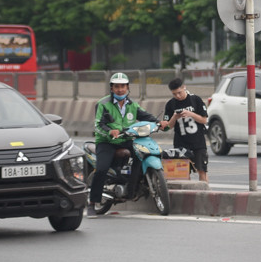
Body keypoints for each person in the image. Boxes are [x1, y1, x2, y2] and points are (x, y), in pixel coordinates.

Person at [89, 72, 161, 209]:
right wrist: (110, 132)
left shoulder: (132, 105)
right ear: (111, 88)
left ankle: (131, 192)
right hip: (107, 141)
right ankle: (93, 202)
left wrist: (159, 122)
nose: (120, 89)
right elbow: (98, 125)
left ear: (128, 88)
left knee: (140, 155)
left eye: (123, 86)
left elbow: (145, 115)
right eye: (117, 86)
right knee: (101, 169)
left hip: (126, 139)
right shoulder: (103, 104)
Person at [165, 78, 209, 185]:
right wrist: (175, 117)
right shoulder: (171, 104)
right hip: (181, 143)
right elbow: (168, 126)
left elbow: (204, 119)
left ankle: (204, 195)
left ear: (184, 87)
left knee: (202, 170)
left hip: (198, 141)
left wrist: (191, 114)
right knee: (183, 174)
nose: (178, 96)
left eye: (179, 93)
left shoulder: (195, 99)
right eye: (174, 94)